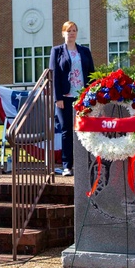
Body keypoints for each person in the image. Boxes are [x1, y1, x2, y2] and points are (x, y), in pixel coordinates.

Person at [49, 21, 95, 177]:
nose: (72, 33)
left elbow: (91, 74)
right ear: (63, 33)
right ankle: (67, 166)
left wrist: (92, 95)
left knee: (84, 130)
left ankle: (86, 164)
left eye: (74, 30)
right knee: (66, 131)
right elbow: (54, 76)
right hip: (65, 98)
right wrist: (58, 98)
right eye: (69, 31)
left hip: (82, 97)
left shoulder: (84, 51)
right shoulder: (56, 51)